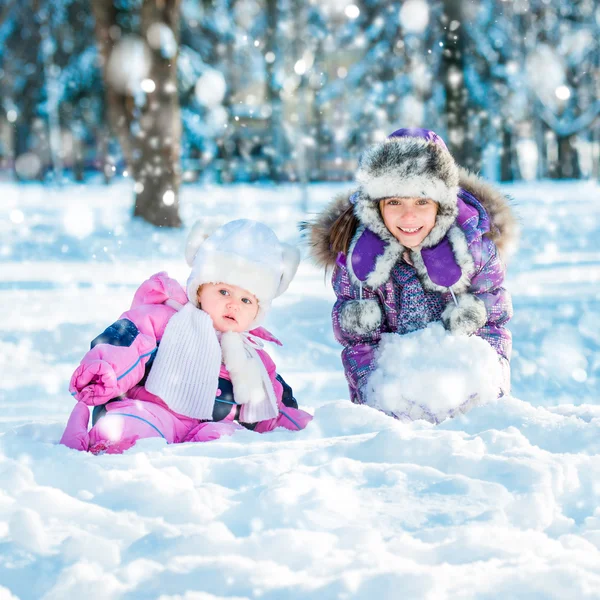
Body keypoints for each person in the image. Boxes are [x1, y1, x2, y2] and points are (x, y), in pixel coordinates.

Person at [305, 128, 516, 411]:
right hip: (396, 394)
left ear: (442, 206)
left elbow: (492, 325)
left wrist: (485, 393)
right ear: (375, 206)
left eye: (421, 201)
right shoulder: (359, 262)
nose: (408, 215)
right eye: (394, 201)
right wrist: (377, 397)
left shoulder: (473, 250)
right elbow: (359, 343)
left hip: (463, 389)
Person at [60, 219, 312, 454]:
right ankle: (107, 443)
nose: (234, 305)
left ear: (258, 312)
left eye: (246, 300)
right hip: (154, 410)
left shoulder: (254, 359)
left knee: (229, 438)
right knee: (131, 425)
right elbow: (127, 343)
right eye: (224, 292)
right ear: (200, 291)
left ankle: (203, 464)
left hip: (206, 428)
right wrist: (104, 372)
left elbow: (270, 408)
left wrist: (298, 424)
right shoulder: (167, 319)